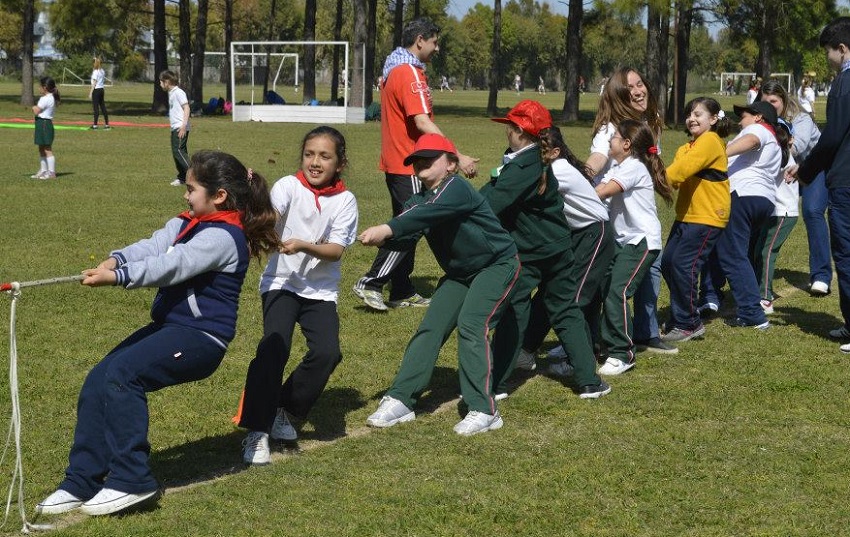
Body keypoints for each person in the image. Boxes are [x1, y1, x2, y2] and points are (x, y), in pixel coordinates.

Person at [36, 150, 279, 516]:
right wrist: (116, 259)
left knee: (122, 376)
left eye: (191, 188)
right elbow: (154, 245)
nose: (185, 194)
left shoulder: (224, 237)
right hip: (171, 328)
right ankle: (81, 481)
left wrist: (118, 277)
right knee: (99, 378)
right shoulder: (187, 221)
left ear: (219, 196)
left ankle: (132, 481)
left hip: (201, 339)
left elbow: (173, 265)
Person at [361, 133, 521, 436]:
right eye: (417, 159)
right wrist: (387, 236)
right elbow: (410, 228)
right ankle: (401, 398)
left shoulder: (456, 187)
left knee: (473, 324)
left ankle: (485, 411)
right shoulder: (418, 199)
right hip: (461, 273)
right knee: (431, 327)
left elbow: (428, 213)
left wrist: (387, 228)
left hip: (497, 265)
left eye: (430, 158)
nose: (421, 163)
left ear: (451, 165)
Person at [239, 127, 358, 465]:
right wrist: (256, 207)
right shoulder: (288, 186)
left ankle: (285, 409)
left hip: (320, 291)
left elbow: (335, 251)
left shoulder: (345, 200)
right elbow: (271, 217)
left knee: (327, 353)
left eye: (324, 156)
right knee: (274, 348)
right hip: (281, 282)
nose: (315, 162)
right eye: (309, 154)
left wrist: (305, 244)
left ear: (340, 162)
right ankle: (256, 431)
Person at [480, 100, 610, 398]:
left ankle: (496, 382)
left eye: (510, 128)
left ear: (519, 132)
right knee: (565, 309)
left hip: (530, 253)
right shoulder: (533, 160)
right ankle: (589, 381)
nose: (507, 134)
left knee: (515, 310)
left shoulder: (524, 164)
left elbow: (492, 202)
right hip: (559, 248)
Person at [352, 17, 478, 311]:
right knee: (412, 225)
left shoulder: (396, 68)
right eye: (434, 41)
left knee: (410, 221)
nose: (437, 48)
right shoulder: (409, 73)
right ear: (420, 40)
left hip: (396, 161)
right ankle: (371, 282)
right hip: (409, 163)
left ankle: (402, 290)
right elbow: (422, 122)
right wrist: (456, 156)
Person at [585, 67, 674, 355]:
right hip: (611, 223)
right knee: (609, 283)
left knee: (651, 272)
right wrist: (582, 174)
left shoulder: (649, 123)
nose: (638, 90)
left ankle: (646, 333)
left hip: (638, 219)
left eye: (640, 84)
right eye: (629, 88)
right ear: (618, 96)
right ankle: (596, 337)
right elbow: (598, 158)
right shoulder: (610, 130)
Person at [516, 126, 613, 371]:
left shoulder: (558, 170)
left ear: (555, 151)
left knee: (573, 299)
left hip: (594, 234)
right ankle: (526, 349)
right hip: (576, 235)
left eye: (539, 149)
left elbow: (524, 195)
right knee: (551, 293)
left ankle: (577, 359)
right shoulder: (552, 168)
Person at [595, 119, 673, 375]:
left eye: (615, 137)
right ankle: (609, 342)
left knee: (617, 290)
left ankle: (622, 354)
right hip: (623, 241)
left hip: (641, 241)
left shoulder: (634, 167)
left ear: (627, 144)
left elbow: (603, 192)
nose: (610, 140)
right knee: (608, 288)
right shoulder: (620, 165)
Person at [792, 17, 850, 352]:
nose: (828, 59)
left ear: (841, 49)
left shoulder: (845, 82)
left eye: (828, 52)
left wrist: (807, 169)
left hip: (845, 179)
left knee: (846, 253)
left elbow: (832, 136)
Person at [700, 100, 782, 330]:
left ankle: (751, 313)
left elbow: (751, 140)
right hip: (763, 201)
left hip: (744, 196)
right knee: (729, 250)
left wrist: (716, 152)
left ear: (758, 117)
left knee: (733, 255)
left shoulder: (757, 129)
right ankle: (710, 297)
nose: (740, 120)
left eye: (744, 115)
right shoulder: (773, 139)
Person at [660, 97, 731, 343]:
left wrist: (649, 179)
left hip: (708, 215)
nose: (692, 118)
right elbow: (676, 179)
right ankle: (682, 314)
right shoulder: (686, 147)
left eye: (698, 114)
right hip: (687, 215)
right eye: (689, 113)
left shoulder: (711, 141)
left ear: (713, 119)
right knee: (668, 263)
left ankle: (689, 323)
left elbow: (679, 171)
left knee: (684, 265)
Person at [757, 80, 828, 296]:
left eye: (774, 101)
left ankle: (821, 276)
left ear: (783, 100)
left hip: (813, 168)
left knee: (812, 211)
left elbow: (799, 145)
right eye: (764, 102)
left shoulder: (801, 118)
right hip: (786, 171)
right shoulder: (762, 119)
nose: (770, 105)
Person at [753, 119, 796, 314]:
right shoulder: (777, 154)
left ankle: (766, 298)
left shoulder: (783, 158)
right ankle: (757, 292)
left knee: (767, 252)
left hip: (783, 213)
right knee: (758, 252)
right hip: (773, 213)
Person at [159, 70, 191, 187]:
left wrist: (183, 126)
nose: (160, 84)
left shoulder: (179, 92)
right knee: (176, 152)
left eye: (161, 82)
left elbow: (186, 108)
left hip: (180, 127)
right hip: (175, 127)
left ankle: (195, 176)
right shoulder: (172, 92)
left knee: (179, 151)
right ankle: (182, 177)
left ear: (167, 82)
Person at [31, 76, 60, 180]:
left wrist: (33, 107)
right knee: (41, 148)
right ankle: (43, 171)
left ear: (45, 88)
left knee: (47, 149)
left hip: (44, 124)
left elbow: (37, 111)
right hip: (43, 124)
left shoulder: (45, 99)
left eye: (40, 87)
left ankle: (51, 172)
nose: (39, 89)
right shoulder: (51, 97)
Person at [89, 57, 110, 130]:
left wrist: (90, 92)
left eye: (93, 62)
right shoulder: (102, 71)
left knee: (96, 108)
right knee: (103, 107)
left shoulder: (95, 72)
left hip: (96, 90)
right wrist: (96, 59)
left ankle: (95, 125)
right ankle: (107, 125)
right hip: (102, 89)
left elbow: (94, 82)